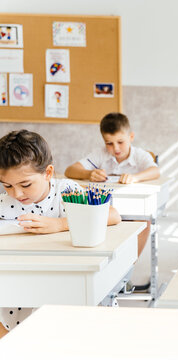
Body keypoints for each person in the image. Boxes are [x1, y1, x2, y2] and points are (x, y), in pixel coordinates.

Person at [0, 130, 121, 336]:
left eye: (26, 185)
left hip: (65, 279)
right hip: (20, 280)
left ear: (47, 173)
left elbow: (112, 215)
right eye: (7, 185)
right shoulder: (5, 202)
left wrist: (59, 224)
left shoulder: (65, 192)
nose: (16, 194)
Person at [65, 112, 159, 258]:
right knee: (91, 218)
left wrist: (135, 177)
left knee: (144, 222)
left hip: (133, 206)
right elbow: (70, 170)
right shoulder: (100, 154)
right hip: (107, 206)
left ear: (131, 137)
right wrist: (88, 174)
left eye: (120, 142)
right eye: (109, 143)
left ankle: (130, 263)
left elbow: (155, 171)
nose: (115, 148)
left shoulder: (140, 155)